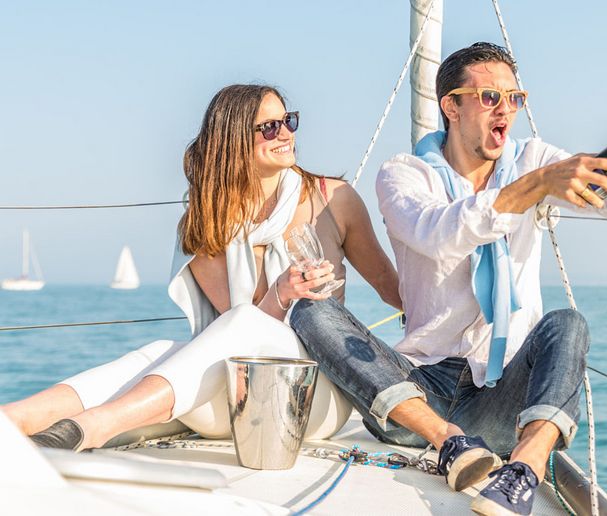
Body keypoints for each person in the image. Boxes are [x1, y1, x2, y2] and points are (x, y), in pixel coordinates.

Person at [290, 42, 607, 515]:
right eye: (490, 97)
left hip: (501, 398)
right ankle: (450, 444)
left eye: (514, 98)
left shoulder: (533, 159)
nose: (506, 110)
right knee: (312, 310)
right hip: (416, 394)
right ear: (451, 105)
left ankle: (522, 471)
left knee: (567, 323)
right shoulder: (404, 174)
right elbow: (437, 234)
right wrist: (533, 187)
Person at [1, 84, 401, 451]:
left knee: (239, 322)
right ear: (232, 140)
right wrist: (280, 294)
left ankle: (92, 427)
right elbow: (237, 338)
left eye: (288, 121)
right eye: (269, 127)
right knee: (159, 351)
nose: (285, 134)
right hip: (235, 395)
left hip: (310, 397)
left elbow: (387, 283)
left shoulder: (332, 199)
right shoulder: (208, 221)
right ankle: (13, 419)